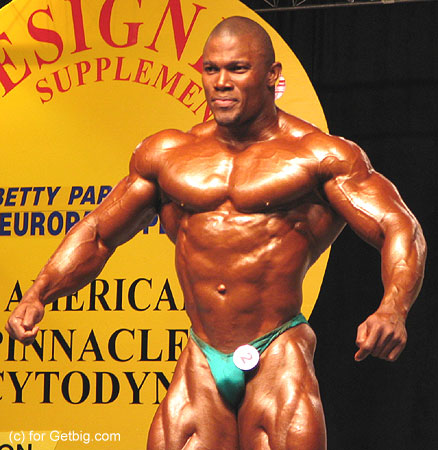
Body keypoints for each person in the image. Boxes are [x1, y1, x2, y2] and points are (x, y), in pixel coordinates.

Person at [5, 16, 426, 450]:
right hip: (201, 357)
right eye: (211, 69)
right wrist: (38, 293)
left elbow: (397, 226)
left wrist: (393, 308)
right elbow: (97, 232)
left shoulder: (318, 156)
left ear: (272, 75)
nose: (221, 82)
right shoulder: (168, 154)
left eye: (237, 69)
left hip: (278, 351)